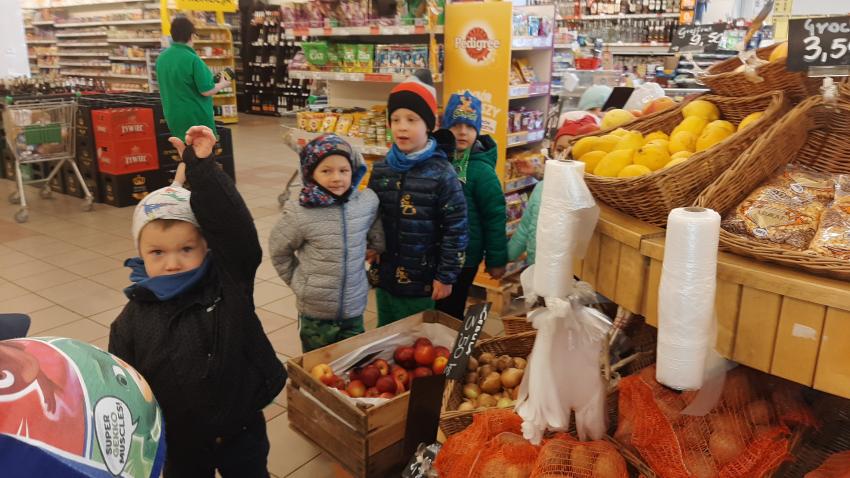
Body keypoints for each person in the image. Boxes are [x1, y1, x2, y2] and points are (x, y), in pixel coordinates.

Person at [109, 125, 285, 477]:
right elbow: (124, 389)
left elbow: (235, 231)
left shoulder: (227, 282)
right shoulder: (130, 322)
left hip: (241, 428)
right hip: (181, 440)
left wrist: (203, 171)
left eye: (186, 248)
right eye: (157, 252)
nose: (172, 263)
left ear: (206, 246)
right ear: (141, 254)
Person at [368, 70, 468, 326]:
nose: (402, 126)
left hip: (422, 282)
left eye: (412, 119)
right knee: (385, 332)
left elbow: (456, 229)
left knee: (416, 337)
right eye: (395, 119)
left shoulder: (442, 174)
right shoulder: (381, 169)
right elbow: (371, 215)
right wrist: (369, 245)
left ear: (429, 125)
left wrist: (446, 276)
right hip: (385, 276)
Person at [269, 134, 384, 352]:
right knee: (317, 363)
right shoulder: (300, 213)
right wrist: (299, 283)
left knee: (352, 361)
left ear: (354, 171)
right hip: (315, 312)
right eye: (326, 171)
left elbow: (374, 219)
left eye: (344, 170)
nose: (337, 178)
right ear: (310, 173)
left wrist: (376, 245)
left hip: (354, 306)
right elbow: (279, 251)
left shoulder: (365, 201)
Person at [436, 91, 507, 320]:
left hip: (467, 255)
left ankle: (450, 338)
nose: (462, 132)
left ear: (477, 131)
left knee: (452, 307)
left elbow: (495, 217)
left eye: (469, 126)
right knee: (433, 306)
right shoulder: (436, 161)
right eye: (456, 125)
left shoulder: (482, 171)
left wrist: (496, 259)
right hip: (435, 251)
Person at [508, 116, 599, 266]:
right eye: (560, 150)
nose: (564, 158)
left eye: (572, 153)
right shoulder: (541, 188)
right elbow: (525, 228)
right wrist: (506, 256)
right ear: (552, 149)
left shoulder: (589, 198)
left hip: (569, 270)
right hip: (534, 264)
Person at [156, 16, 230, 140]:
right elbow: (206, 90)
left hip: (173, 114)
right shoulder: (193, 59)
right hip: (195, 117)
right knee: (201, 150)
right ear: (191, 35)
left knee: (183, 148)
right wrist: (223, 84)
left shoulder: (161, 58)